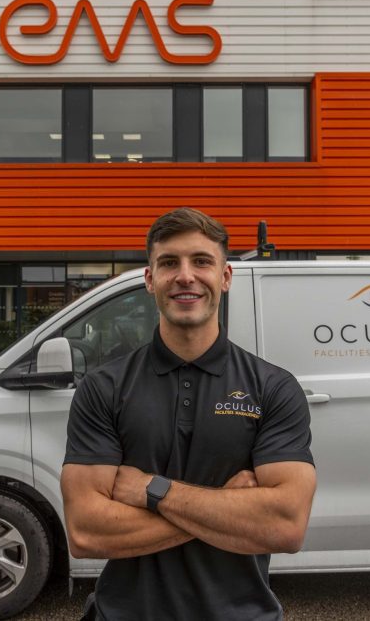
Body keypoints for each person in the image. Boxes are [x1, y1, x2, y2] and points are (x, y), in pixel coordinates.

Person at [61, 207, 317, 621]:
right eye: (168, 263)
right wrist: (232, 510)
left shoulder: (272, 387)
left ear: (225, 277)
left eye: (201, 261)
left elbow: (286, 526)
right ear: (150, 280)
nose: (185, 276)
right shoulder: (104, 388)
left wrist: (152, 490)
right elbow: (86, 531)